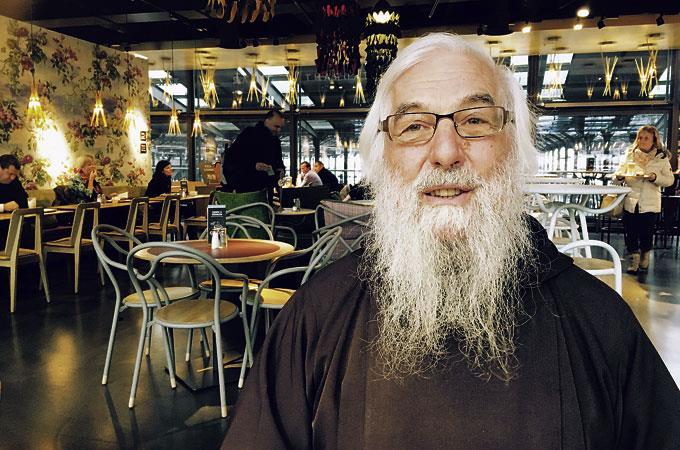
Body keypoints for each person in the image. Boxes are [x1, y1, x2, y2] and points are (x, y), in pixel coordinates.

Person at [223, 33, 680, 448]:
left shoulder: (600, 323)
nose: (445, 152)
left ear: (515, 148)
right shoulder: (316, 316)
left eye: (475, 120)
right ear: (382, 157)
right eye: (414, 126)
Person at [614, 125, 674, 273]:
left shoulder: (661, 157)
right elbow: (616, 177)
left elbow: (670, 180)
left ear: (654, 140)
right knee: (630, 232)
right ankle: (633, 260)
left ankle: (645, 255)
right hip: (631, 201)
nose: (642, 141)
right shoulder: (630, 155)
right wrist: (619, 177)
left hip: (650, 202)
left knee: (646, 233)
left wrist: (655, 177)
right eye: (640, 137)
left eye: (646, 138)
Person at [222, 110, 286, 200]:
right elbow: (233, 160)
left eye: (280, 127)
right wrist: (253, 166)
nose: (278, 130)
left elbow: (278, 163)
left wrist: (280, 170)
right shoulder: (249, 135)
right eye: (276, 126)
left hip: (265, 191)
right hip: (247, 189)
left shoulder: (275, 141)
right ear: (267, 121)